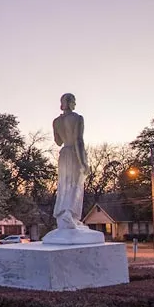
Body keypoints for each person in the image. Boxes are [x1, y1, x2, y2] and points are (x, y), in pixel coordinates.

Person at [43, 93, 104, 245]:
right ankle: (69, 213)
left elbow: (57, 142)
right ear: (71, 103)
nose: (74, 104)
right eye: (74, 101)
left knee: (64, 184)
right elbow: (79, 140)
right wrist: (83, 162)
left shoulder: (56, 121)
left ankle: (65, 214)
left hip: (63, 154)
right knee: (75, 185)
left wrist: (60, 128)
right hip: (74, 153)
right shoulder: (77, 118)